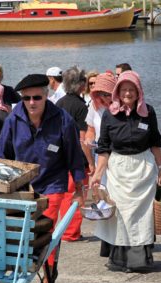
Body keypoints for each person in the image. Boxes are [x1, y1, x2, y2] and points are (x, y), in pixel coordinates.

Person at [0, 74, 85, 283]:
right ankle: (38, 268)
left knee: (46, 231)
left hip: (53, 183)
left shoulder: (63, 119)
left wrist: (79, 187)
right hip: (22, 185)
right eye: (27, 98)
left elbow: (75, 156)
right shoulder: (13, 119)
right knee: (24, 232)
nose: (32, 102)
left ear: (46, 96)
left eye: (37, 97)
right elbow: (1, 156)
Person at [90, 71, 161, 273]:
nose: (127, 93)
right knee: (122, 214)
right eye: (123, 89)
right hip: (118, 169)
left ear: (138, 91)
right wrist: (98, 174)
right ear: (117, 92)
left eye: (131, 89)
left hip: (143, 167)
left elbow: (155, 143)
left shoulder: (148, 112)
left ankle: (140, 260)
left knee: (142, 214)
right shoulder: (109, 114)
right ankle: (120, 260)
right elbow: (104, 147)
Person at [84, 72, 117, 257]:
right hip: (100, 157)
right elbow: (90, 131)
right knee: (103, 199)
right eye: (100, 94)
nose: (104, 98)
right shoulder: (93, 108)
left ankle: (119, 241)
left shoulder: (120, 108)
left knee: (117, 199)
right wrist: (89, 141)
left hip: (117, 158)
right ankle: (107, 242)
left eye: (107, 94)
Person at [56, 66, 90, 242]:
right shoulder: (81, 107)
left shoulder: (59, 103)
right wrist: (90, 162)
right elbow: (83, 139)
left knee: (64, 195)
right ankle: (72, 232)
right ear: (80, 85)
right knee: (77, 195)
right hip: (76, 158)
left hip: (60, 157)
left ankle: (64, 229)